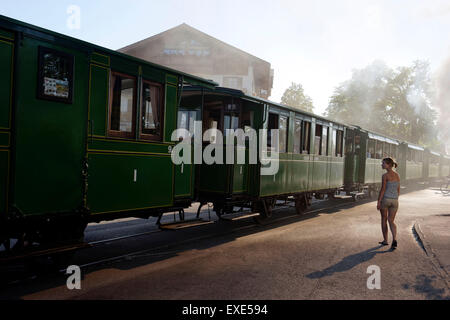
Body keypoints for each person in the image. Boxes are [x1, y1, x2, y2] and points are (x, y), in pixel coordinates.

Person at [377, 157, 400, 250]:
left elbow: (382, 189)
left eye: (383, 163)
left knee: (384, 219)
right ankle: (394, 239)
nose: (382, 165)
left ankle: (385, 240)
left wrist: (379, 201)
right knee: (391, 221)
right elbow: (398, 189)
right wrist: (395, 198)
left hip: (386, 199)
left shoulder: (385, 176)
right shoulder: (397, 175)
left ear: (388, 165)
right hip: (395, 201)